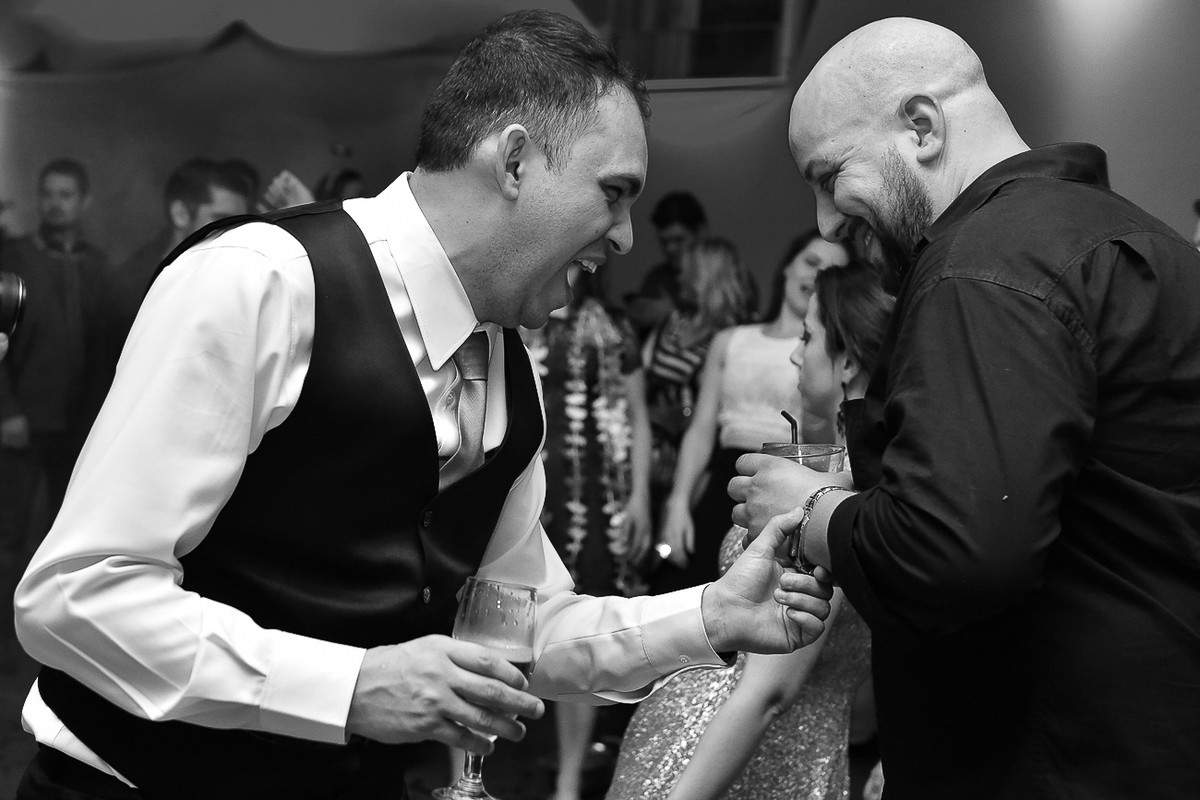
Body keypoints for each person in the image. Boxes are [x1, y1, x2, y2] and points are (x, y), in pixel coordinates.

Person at [12, 11, 835, 799]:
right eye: (613, 192)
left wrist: (713, 614)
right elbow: (77, 597)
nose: (624, 236)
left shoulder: (512, 370)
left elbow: (524, 624)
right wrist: (350, 687)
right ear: (514, 162)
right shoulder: (264, 283)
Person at [730, 17, 1200, 799]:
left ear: (922, 127)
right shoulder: (1135, 237)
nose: (824, 221)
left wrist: (811, 509)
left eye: (829, 176)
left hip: (1056, 761)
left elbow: (955, 556)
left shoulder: (985, 261)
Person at [607, 259, 890, 800]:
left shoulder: (830, 497)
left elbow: (766, 692)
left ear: (849, 362)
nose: (794, 354)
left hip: (730, 766)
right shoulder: (850, 478)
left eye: (807, 337)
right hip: (704, 742)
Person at [518, 265, 653, 800]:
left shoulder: (611, 327)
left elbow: (637, 416)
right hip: (524, 485)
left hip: (594, 500)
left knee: (581, 623)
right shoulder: (518, 309)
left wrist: (640, 498)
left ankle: (569, 782)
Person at [657, 230, 849, 589]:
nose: (816, 276)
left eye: (830, 272)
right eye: (810, 262)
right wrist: (678, 502)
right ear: (787, 265)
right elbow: (701, 428)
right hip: (720, 479)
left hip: (783, 481)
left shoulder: (823, 353)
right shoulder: (731, 338)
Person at [0, 158, 113, 557]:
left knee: (67, 535)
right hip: (23, 420)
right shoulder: (14, 258)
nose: (55, 203)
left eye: (65, 195)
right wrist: (6, 411)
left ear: (84, 201)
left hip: (80, 424)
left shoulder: (98, 265)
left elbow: (108, 345)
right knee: (9, 532)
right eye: (47, 194)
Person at [642, 236, 749, 593]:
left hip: (692, 461)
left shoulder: (733, 336)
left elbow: (717, 411)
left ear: (704, 273)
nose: (679, 276)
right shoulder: (673, 321)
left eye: (686, 269)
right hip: (650, 453)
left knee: (679, 559)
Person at [113, 157, 251, 332]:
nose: (235, 231)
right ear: (180, 214)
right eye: (222, 220)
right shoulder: (135, 285)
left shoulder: (238, 277)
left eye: (241, 223)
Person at [624, 191, 706, 338]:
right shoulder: (656, 279)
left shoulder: (722, 274)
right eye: (664, 242)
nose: (670, 249)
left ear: (700, 232)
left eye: (678, 240)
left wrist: (672, 313)